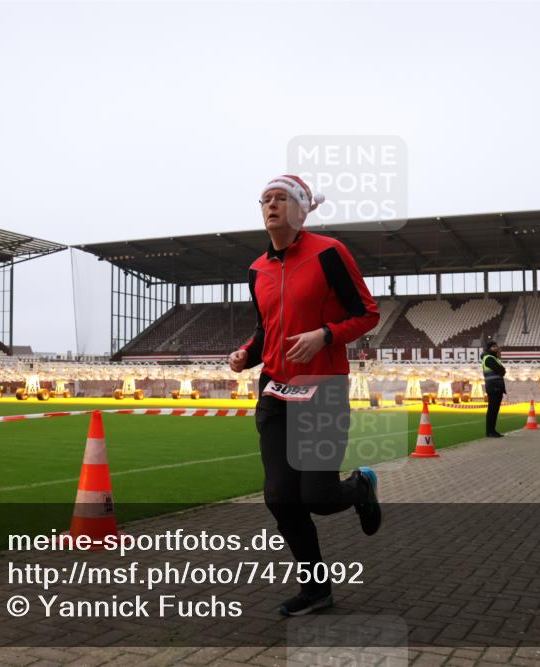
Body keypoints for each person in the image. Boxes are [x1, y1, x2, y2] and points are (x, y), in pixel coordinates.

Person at [228, 174, 381, 617]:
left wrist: (325, 335)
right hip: (275, 393)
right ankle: (316, 588)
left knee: (317, 495)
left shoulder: (330, 253)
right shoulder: (256, 270)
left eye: (281, 198)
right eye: (265, 199)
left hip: (323, 389)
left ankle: (360, 486)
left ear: (302, 209)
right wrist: (245, 354)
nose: (271, 205)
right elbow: (265, 332)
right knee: (280, 498)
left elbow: (366, 313)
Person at [481, 340, 506, 437]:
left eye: (496, 346)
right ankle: (490, 431)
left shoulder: (494, 358)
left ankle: (492, 430)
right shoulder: (488, 358)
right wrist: (502, 370)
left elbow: (502, 371)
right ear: (489, 348)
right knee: (492, 410)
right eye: (493, 347)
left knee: (494, 410)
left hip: (497, 387)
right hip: (493, 387)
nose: (496, 348)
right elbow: (501, 370)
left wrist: (502, 370)